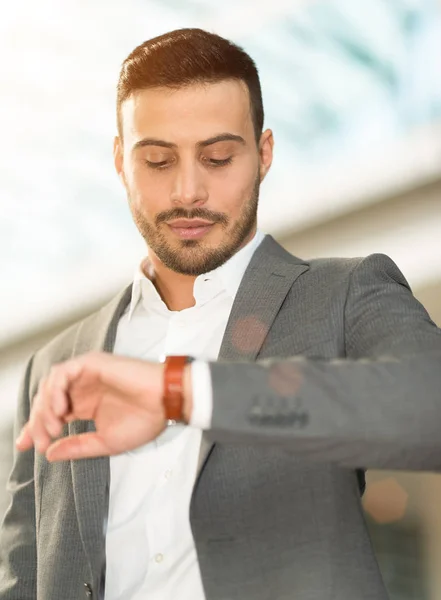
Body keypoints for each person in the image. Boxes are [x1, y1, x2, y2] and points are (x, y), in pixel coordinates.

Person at [1, 27, 441, 600]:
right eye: (158, 160)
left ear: (264, 154)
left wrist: (180, 391)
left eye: (217, 157)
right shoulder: (53, 366)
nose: (189, 190)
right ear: (119, 161)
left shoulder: (343, 293)